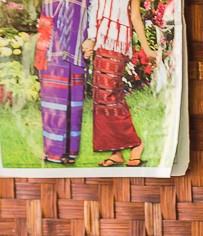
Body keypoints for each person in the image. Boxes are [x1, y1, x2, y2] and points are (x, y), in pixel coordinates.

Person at [81, 0, 157, 167]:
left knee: (110, 94)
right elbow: (93, 10)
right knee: (101, 98)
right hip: (100, 43)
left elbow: (135, 16)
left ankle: (136, 143)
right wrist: (91, 38)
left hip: (117, 42)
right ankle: (116, 152)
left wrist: (146, 48)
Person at [35, 0, 92, 164]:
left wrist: (92, 38)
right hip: (51, 49)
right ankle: (53, 152)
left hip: (76, 49)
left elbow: (94, 12)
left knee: (73, 103)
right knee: (53, 102)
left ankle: (70, 152)